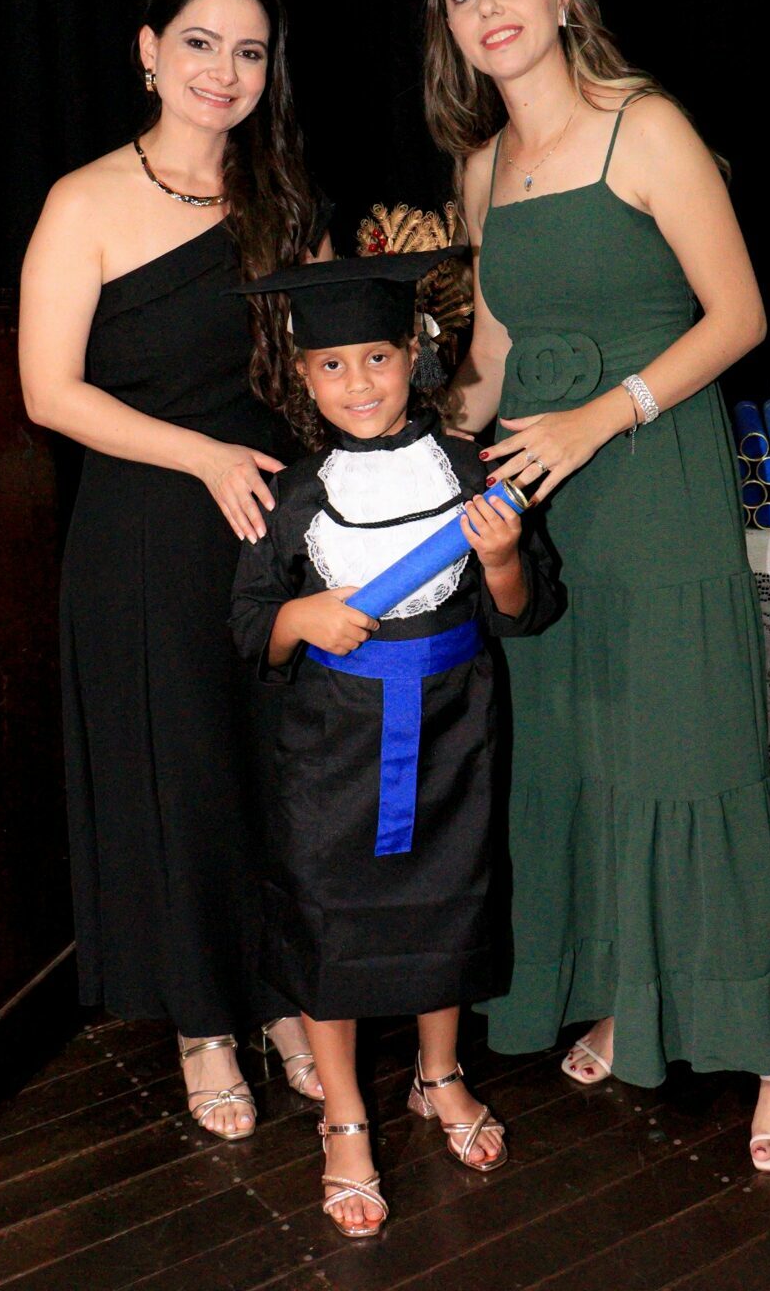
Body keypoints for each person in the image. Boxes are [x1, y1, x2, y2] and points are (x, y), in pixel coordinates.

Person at [423, 0, 770, 1174]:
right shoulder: (480, 169)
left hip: (652, 470)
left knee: (688, 749)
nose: (486, 9)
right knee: (579, 748)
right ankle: (624, 993)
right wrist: (404, 446)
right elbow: (492, 355)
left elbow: (737, 314)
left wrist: (600, 416)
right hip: (539, 497)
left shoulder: (642, 126)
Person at [19, 0, 328, 1140]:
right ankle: (205, 1027)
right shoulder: (83, 200)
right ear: (149, 51)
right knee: (183, 779)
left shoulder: (281, 201)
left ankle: (284, 999)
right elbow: (48, 391)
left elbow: (317, 370)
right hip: (148, 528)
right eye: (200, 42)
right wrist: (200, 456)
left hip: (272, 526)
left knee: (277, 774)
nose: (223, 71)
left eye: (248, 51)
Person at [229, 251, 560, 1234]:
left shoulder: (472, 472)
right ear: (302, 376)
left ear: (414, 355)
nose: (358, 383)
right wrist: (301, 617)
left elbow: (525, 610)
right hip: (330, 746)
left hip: (456, 732)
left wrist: (499, 557)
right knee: (328, 917)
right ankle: (342, 1117)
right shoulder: (292, 494)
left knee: (445, 902)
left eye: (376, 357)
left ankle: (438, 1075)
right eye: (331, 365)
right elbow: (248, 626)